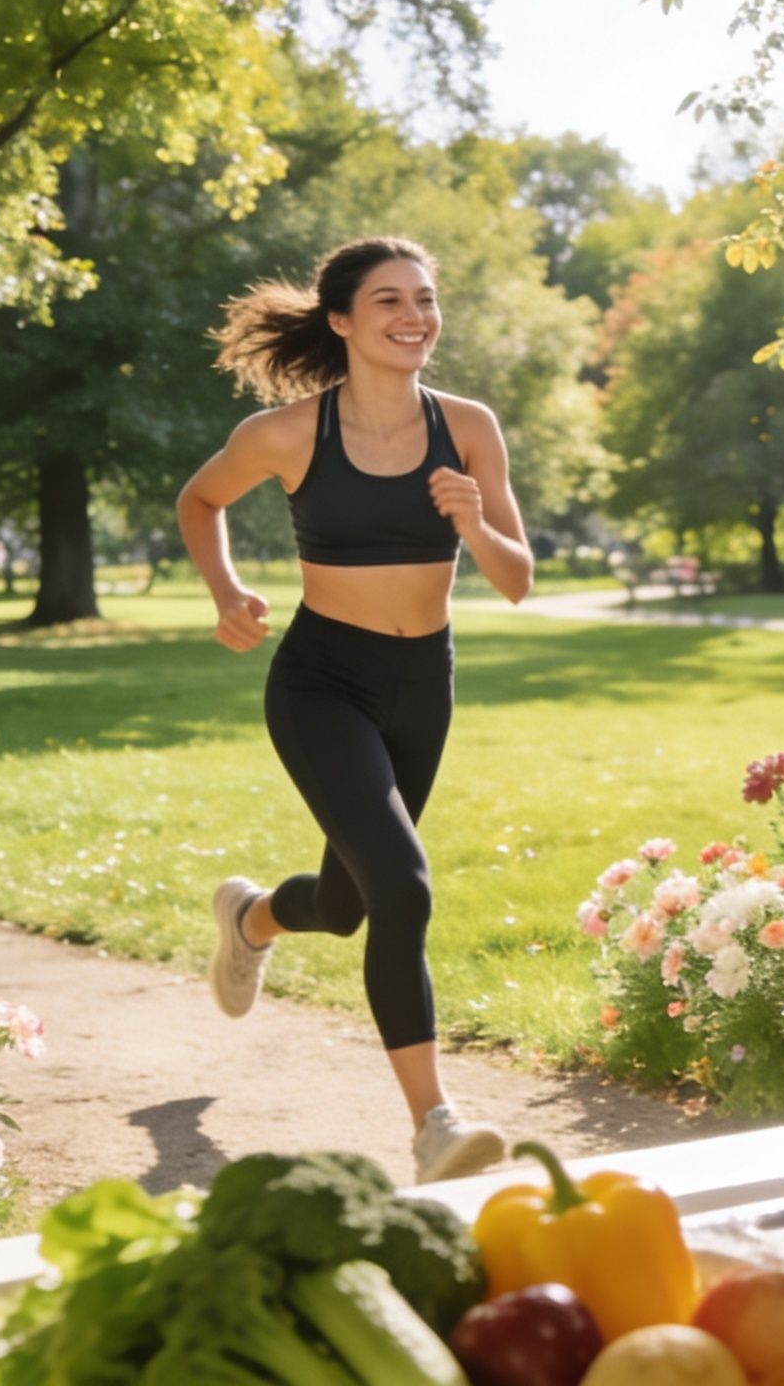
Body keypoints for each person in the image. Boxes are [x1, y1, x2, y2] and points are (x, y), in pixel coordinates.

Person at [176, 237, 535, 1183]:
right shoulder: (289, 434)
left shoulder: (468, 427)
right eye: (389, 301)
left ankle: (253, 919)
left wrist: (472, 520)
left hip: (424, 683)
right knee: (404, 888)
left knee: (346, 906)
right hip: (322, 683)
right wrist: (226, 593)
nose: (415, 316)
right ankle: (435, 1126)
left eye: (425, 298)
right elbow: (199, 499)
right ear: (342, 321)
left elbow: (517, 580)